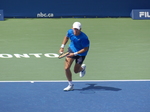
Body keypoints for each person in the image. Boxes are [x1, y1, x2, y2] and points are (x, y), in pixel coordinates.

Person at [59, 22, 90, 91]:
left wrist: (75, 54)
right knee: (66, 68)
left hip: (81, 53)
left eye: (77, 29)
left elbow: (85, 49)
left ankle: (82, 69)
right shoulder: (70, 32)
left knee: (76, 71)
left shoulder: (84, 37)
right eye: (74, 29)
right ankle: (70, 85)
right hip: (72, 49)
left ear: (80, 29)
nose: (76, 31)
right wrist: (62, 47)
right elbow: (66, 37)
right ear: (72, 28)